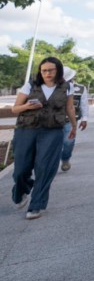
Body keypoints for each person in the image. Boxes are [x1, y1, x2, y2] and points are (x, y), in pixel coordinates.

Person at [10, 57, 77, 220]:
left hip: (52, 130)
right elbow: (14, 109)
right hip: (26, 129)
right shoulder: (30, 85)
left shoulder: (67, 87)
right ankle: (21, 190)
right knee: (21, 169)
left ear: (58, 71)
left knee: (45, 167)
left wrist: (74, 126)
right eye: (44, 70)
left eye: (51, 70)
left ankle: (37, 204)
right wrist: (27, 106)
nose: (47, 73)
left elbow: (69, 107)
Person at [59, 67, 89, 172]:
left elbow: (84, 104)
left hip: (70, 121)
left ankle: (65, 159)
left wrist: (84, 118)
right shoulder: (54, 87)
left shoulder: (80, 88)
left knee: (68, 142)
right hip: (53, 120)